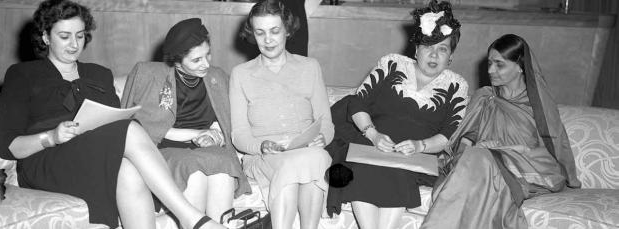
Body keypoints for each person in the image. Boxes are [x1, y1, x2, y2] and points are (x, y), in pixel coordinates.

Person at [0, 1, 223, 228]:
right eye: (64, 36)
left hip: (95, 159)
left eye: (80, 35)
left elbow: (116, 121)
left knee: (128, 169)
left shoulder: (99, 74)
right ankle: (190, 217)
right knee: (129, 129)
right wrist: (51, 137)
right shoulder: (22, 74)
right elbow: (9, 145)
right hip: (47, 163)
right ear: (46, 37)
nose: (74, 44)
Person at [324, 1, 469, 228]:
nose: (433, 55)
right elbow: (357, 103)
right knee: (364, 167)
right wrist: (373, 135)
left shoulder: (457, 86)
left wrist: (419, 145)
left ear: (451, 56)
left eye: (442, 48)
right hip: (371, 142)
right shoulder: (391, 64)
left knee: (399, 169)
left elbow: (448, 135)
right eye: (427, 46)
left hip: (415, 155)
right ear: (416, 49)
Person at [419, 34, 582, 229]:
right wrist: (465, 150)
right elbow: (466, 137)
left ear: (521, 66)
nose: (490, 70)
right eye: (489, 63)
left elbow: (551, 145)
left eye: (499, 64)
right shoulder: (485, 97)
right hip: (479, 165)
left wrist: (495, 149)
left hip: (526, 167)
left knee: (480, 158)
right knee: (475, 160)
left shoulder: (537, 105)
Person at [121, 18, 251, 222]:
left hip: (205, 149)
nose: (206, 64)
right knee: (195, 174)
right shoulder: (148, 74)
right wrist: (196, 134)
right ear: (177, 60)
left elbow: (224, 119)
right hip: (163, 148)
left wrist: (215, 135)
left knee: (223, 165)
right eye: (196, 60)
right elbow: (133, 128)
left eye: (208, 54)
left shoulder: (217, 76)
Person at [229, 0, 334, 228]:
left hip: (305, 150)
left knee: (314, 157)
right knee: (299, 164)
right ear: (252, 35)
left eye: (275, 31)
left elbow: (326, 123)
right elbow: (238, 134)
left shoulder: (310, 67)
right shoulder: (241, 74)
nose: (268, 40)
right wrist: (262, 146)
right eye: (260, 33)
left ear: (287, 29)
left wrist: (322, 138)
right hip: (264, 156)